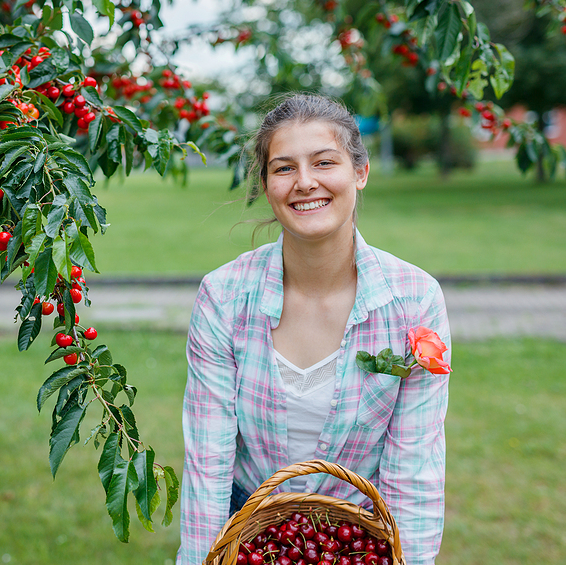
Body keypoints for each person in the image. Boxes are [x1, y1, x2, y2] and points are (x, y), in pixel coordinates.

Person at [178, 93, 450, 565]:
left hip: (359, 543)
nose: (305, 183)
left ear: (359, 172)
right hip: (250, 537)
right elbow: (208, 462)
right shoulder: (223, 296)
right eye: (283, 168)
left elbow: (414, 470)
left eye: (324, 162)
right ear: (266, 185)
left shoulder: (414, 299)